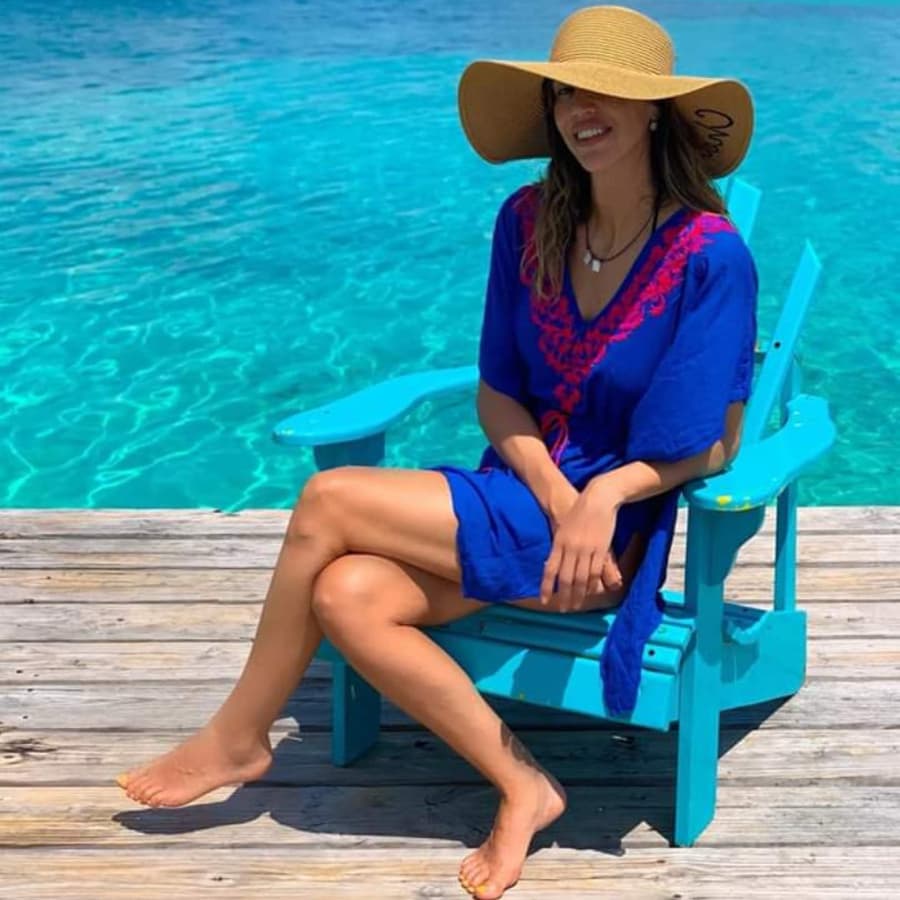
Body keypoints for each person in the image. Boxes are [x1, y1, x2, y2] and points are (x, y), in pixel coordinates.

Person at [116, 6, 757, 899]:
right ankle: (524, 785)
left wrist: (603, 498)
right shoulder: (529, 220)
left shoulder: (709, 254)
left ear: (656, 111)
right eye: (569, 90)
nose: (585, 109)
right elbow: (499, 391)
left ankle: (237, 736)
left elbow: (719, 440)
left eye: (610, 92)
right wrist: (551, 486)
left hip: (604, 547)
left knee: (329, 500)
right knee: (346, 592)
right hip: (526, 498)